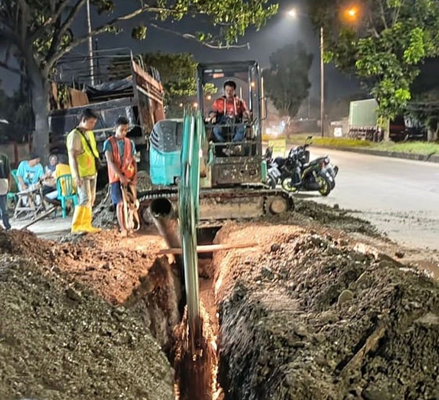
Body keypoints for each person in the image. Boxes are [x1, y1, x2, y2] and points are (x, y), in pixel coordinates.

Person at [67, 108, 101, 234]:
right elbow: (72, 157)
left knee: (90, 199)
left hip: (92, 171)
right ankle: (77, 226)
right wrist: (76, 176)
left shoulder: (90, 133)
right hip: (82, 173)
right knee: (84, 199)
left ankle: (87, 225)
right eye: (91, 122)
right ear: (83, 120)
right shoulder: (74, 136)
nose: (93, 125)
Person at [104, 116, 137, 237]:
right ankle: (123, 228)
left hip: (129, 176)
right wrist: (120, 177)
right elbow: (110, 161)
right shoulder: (108, 143)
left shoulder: (130, 143)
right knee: (120, 203)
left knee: (131, 202)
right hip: (116, 178)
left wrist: (134, 177)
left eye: (126, 130)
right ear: (115, 129)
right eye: (122, 129)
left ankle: (131, 226)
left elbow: (133, 161)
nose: (124, 132)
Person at [0, 152, 11, 230]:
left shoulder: (3, 157)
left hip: (2, 182)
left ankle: (7, 225)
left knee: (4, 206)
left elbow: (8, 172)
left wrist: (9, 185)